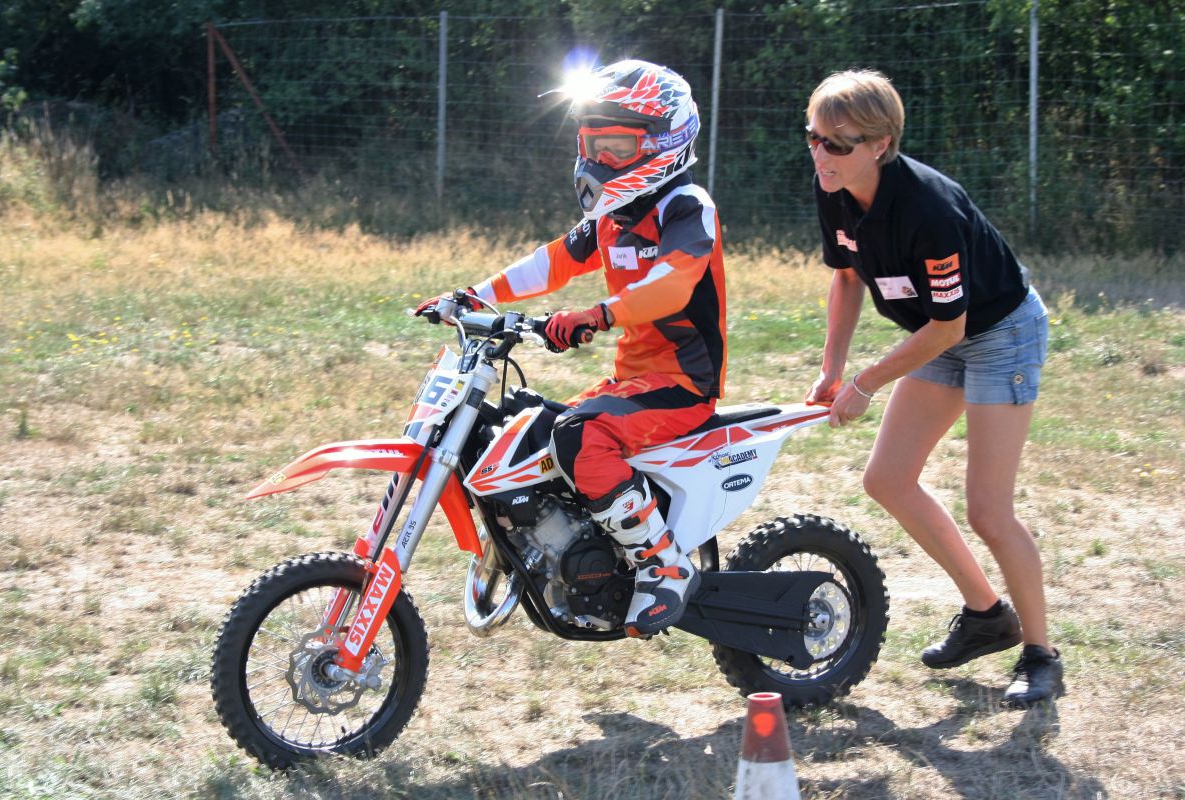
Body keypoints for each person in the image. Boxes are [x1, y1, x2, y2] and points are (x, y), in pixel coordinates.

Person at [416, 59, 726, 637]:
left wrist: (597, 314)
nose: (597, 159)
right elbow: (553, 262)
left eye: (615, 146)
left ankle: (664, 565)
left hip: (683, 385)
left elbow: (673, 285)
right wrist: (473, 295)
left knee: (579, 436)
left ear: (663, 144)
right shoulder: (614, 217)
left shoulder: (686, 207)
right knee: (522, 426)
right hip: (634, 382)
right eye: (591, 143)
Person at [802, 69, 1061, 706]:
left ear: (881, 144)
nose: (820, 153)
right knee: (887, 479)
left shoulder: (930, 209)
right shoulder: (833, 187)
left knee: (988, 511)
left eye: (838, 143)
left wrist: (865, 382)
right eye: (813, 136)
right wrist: (832, 367)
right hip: (937, 332)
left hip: (997, 332)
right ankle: (987, 617)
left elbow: (951, 326)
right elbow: (846, 277)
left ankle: (1041, 655)